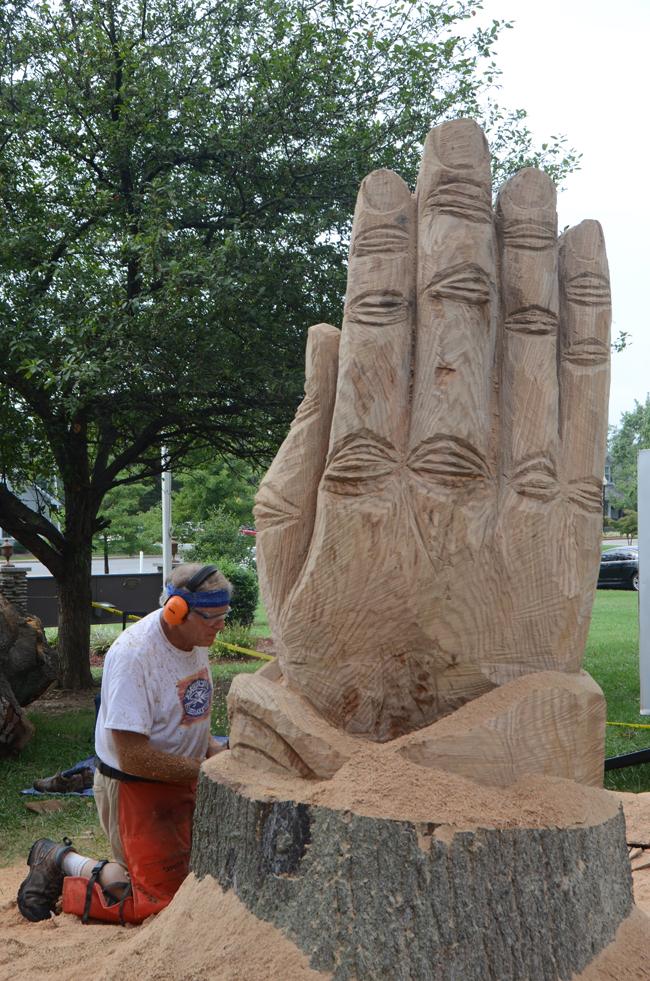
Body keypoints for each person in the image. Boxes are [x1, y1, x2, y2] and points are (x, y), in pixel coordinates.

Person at [17, 562, 231, 924]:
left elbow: (186, 709)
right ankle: (60, 861)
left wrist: (212, 748)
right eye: (212, 617)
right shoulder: (135, 655)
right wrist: (206, 769)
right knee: (158, 907)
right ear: (176, 610)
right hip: (137, 786)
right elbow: (133, 757)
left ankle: (80, 864)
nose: (220, 625)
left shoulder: (195, 639)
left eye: (224, 615)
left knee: (189, 884)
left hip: (181, 777)